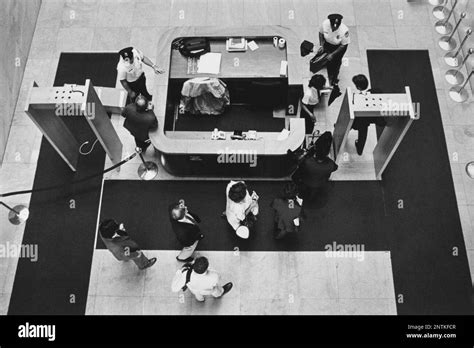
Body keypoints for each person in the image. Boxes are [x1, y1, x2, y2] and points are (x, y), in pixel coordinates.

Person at [293, 131, 338, 201]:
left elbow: (300, 167)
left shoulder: (307, 162)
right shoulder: (331, 165)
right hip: (320, 183)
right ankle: (312, 198)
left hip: (306, 180)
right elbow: (335, 167)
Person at [351, 74, 386, 155]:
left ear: (358, 87)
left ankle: (359, 148)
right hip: (377, 117)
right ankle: (360, 149)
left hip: (363, 119)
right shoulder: (377, 90)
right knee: (363, 132)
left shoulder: (358, 98)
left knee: (359, 125)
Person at [318, 14, 350, 86]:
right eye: (333, 27)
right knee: (325, 58)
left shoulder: (344, 30)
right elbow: (320, 34)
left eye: (336, 27)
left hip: (338, 48)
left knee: (336, 64)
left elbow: (344, 45)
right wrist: (321, 45)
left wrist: (332, 54)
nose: (334, 29)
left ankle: (334, 79)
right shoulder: (325, 24)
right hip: (327, 44)